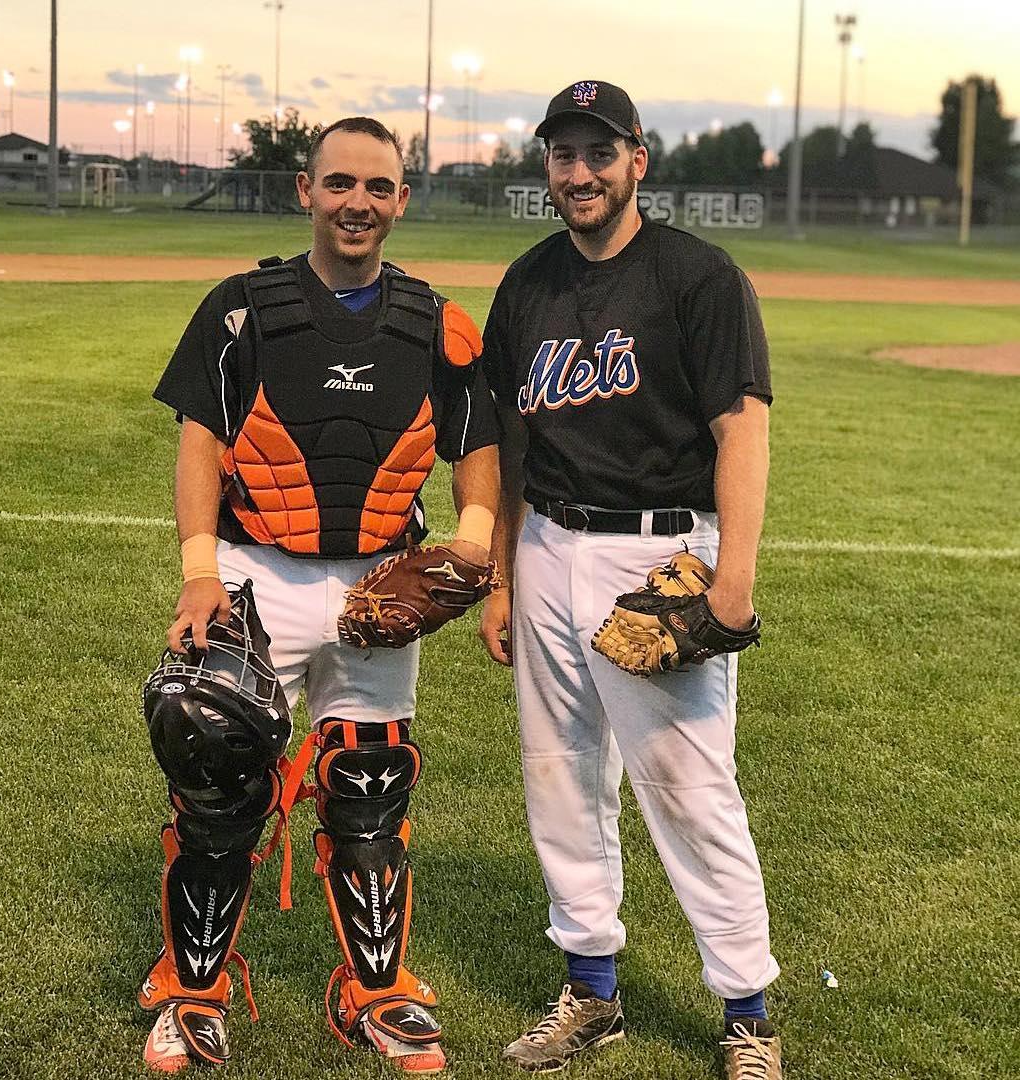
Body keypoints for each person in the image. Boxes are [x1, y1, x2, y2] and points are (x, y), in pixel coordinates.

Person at [141, 116, 500, 1075]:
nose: (357, 203)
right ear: (306, 190)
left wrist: (472, 542)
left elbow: (476, 447)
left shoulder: (438, 323)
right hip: (256, 575)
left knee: (370, 785)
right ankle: (193, 986)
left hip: (382, 585)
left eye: (378, 187)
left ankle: (374, 989)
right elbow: (200, 446)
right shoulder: (241, 309)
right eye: (339, 183)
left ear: (402, 200)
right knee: (216, 773)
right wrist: (198, 568)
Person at [478, 82, 782, 1079]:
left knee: (691, 791)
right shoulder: (527, 284)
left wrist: (732, 583)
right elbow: (510, 441)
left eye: (599, 154)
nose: (581, 173)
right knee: (560, 775)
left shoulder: (698, 277)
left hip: (660, 556)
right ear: (548, 167)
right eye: (564, 155)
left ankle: (747, 1013)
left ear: (637, 162)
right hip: (546, 547)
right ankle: (590, 992)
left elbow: (742, 428)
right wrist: (502, 578)